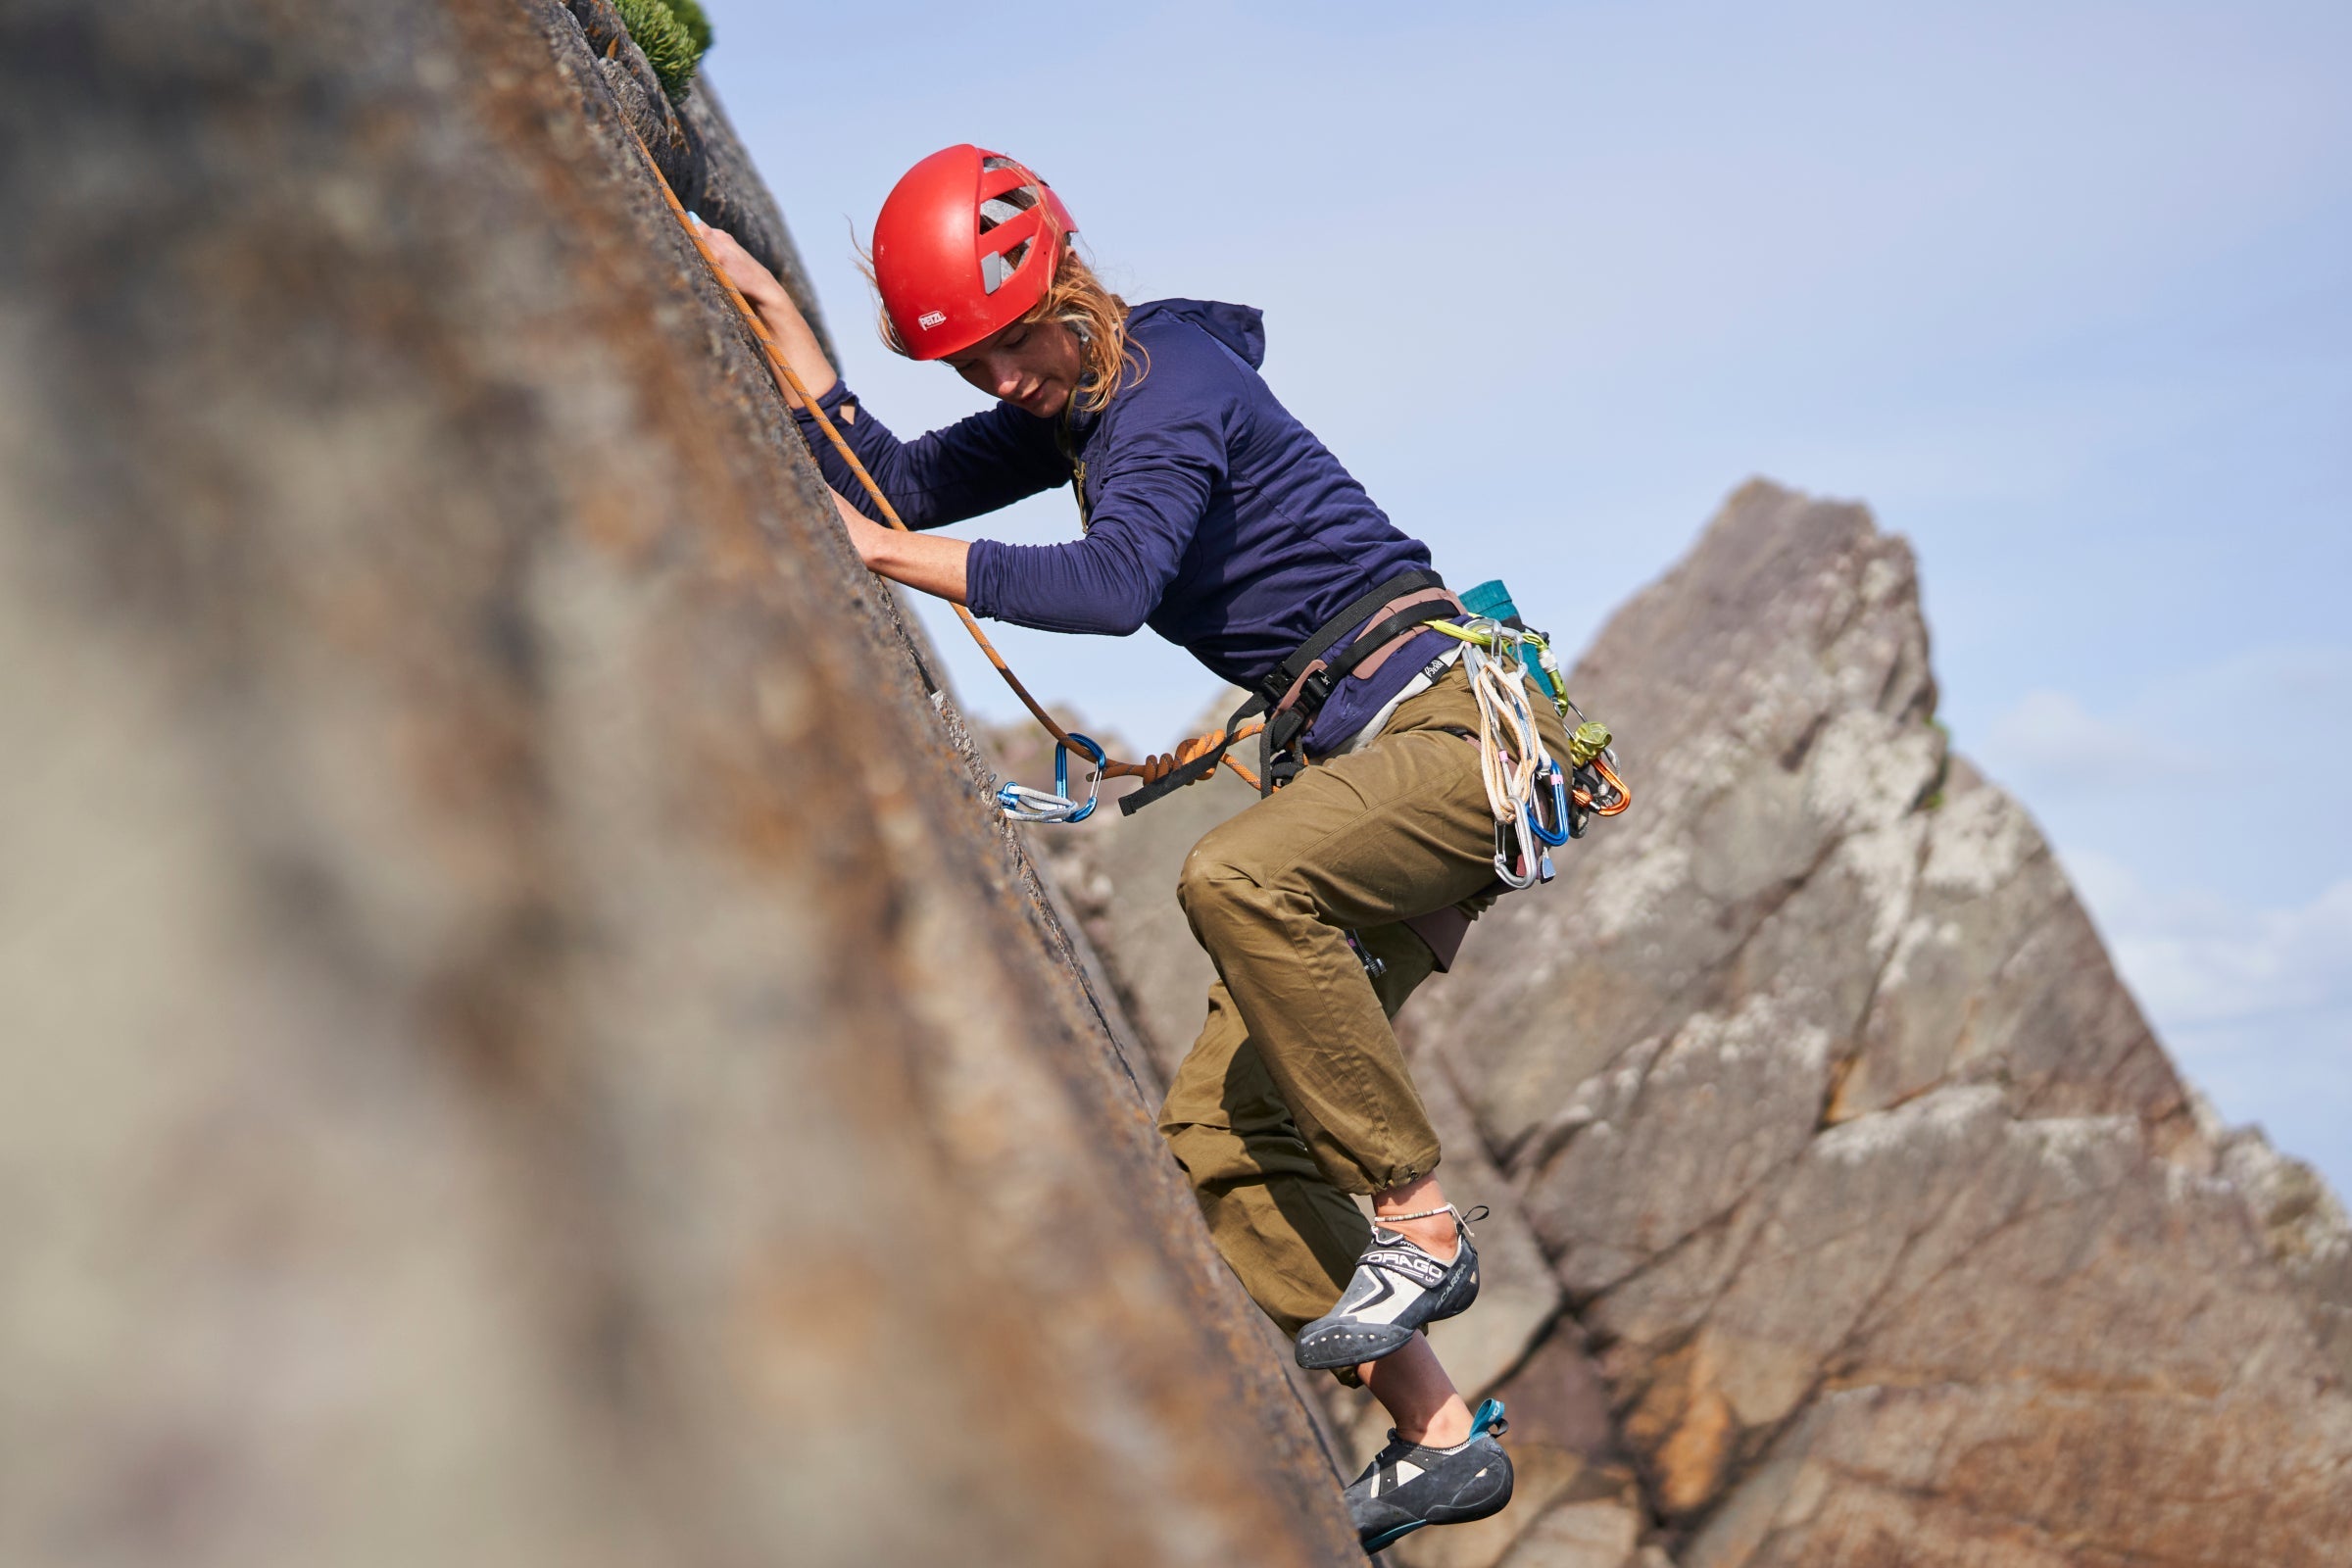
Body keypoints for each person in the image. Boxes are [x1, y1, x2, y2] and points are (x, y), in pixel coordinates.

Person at [700, 144, 1564, 1553]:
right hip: (1373, 761)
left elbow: (1107, 590)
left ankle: (1422, 1222)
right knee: (1221, 1133)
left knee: (1237, 875)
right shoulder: (1077, 410)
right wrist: (782, 327)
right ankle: (1437, 1433)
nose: (999, 384)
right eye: (970, 366)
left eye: (1006, 347)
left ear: (1062, 287)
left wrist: (877, 559)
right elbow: (902, 486)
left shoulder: (1167, 394)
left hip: (1445, 728)